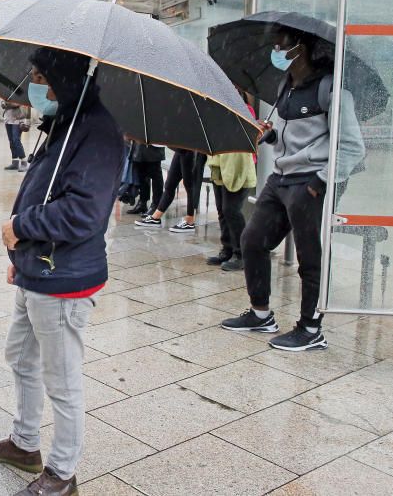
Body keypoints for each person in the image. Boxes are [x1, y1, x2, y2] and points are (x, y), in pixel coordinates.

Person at [0, 49, 124, 496]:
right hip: (36, 267)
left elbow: (83, 213)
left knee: (62, 380)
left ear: (64, 79)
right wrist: (19, 256)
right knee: (21, 357)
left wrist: (21, 228)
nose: (34, 84)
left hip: (65, 277)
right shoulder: (63, 124)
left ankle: (62, 474)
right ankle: (24, 444)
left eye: (41, 75)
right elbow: (44, 190)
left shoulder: (96, 133)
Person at [222, 28, 364, 351]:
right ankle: (261, 313)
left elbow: (353, 147)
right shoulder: (286, 86)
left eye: (281, 45)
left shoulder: (331, 89)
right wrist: (270, 136)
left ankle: (311, 329)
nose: (276, 50)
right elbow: (290, 138)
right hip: (281, 178)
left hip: (309, 183)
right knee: (252, 239)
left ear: (302, 48)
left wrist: (320, 181)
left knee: (309, 255)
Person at [208, 98, 258, 271]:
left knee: (231, 210)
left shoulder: (245, 110)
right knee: (222, 210)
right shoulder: (215, 109)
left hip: (239, 168)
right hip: (220, 165)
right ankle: (227, 249)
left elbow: (249, 137)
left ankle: (241, 254)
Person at [134, 148, 201, 233]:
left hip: (190, 149)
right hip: (181, 148)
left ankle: (189, 221)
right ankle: (156, 217)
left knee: (189, 185)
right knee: (170, 184)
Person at [127, 143, 165, 215]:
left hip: (154, 142)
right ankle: (142, 203)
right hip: (140, 142)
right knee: (141, 173)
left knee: (155, 173)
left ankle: (156, 205)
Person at [1, 100, 30, 172]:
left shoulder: (19, 94)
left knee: (16, 140)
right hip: (8, 119)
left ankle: (24, 162)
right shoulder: (7, 94)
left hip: (17, 119)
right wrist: (3, 103)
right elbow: (3, 104)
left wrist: (7, 104)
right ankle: (15, 162)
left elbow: (17, 104)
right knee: (11, 141)